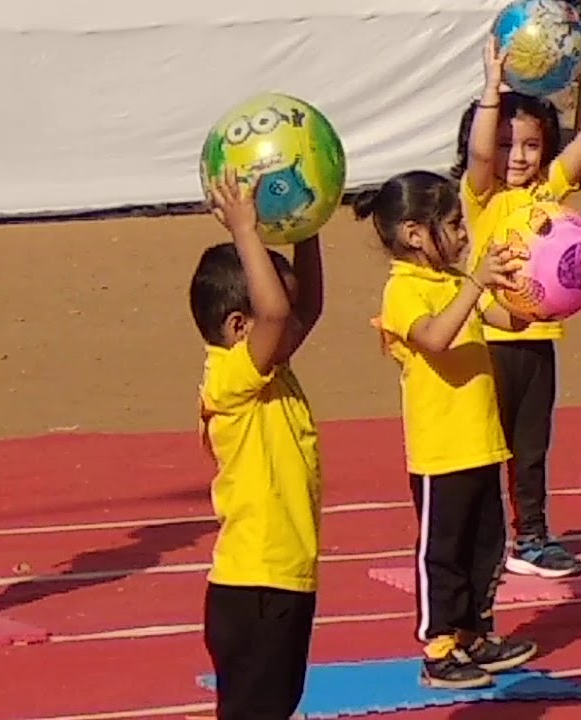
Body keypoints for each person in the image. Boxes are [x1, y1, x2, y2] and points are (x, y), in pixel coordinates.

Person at [360, 170, 537, 690]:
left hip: (482, 440)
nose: (464, 236)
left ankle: (476, 632)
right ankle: (438, 646)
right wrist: (479, 282)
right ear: (415, 234)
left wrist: (532, 289)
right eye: (455, 225)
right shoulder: (404, 290)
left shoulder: (456, 283)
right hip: (441, 451)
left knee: (486, 545)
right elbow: (435, 338)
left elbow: (510, 321)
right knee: (444, 550)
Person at [451, 39, 581, 579]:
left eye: (531, 146)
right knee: (484, 447)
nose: (518, 157)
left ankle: (532, 538)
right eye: (509, 145)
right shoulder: (480, 195)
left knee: (530, 448)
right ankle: (480, 539)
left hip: (537, 341)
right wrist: (493, 89)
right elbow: (480, 157)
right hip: (487, 341)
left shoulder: (549, 193)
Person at [192, 171, 324, 720]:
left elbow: (305, 308)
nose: (290, 325)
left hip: (284, 581)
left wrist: (306, 227)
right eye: (275, 316)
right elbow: (277, 313)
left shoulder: (273, 369)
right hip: (254, 588)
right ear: (238, 325)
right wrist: (246, 230)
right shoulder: (230, 377)